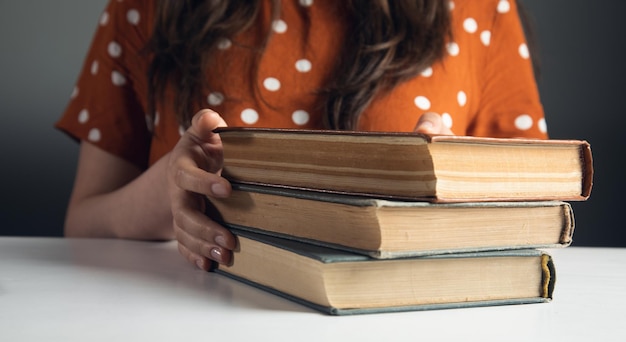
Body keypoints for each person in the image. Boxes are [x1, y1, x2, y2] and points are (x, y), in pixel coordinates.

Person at [56, 0, 547, 271]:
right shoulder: (148, 7)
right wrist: (173, 185)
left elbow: (540, 216)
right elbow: (83, 225)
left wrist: (460, 185)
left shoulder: (480, 10)